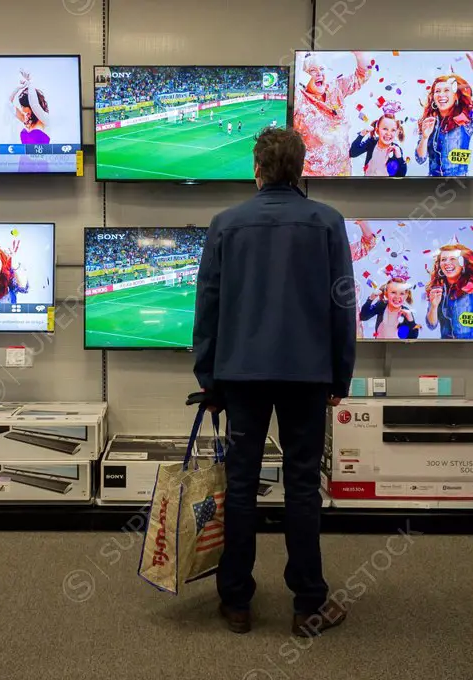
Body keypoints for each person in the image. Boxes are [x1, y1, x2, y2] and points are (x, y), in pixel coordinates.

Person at [193, 126, 355, 638]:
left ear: (256, 170)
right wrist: (341, 374)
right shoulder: (328, 222)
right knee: (303, 487)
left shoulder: (226, 224)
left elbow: (209, 308)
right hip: (307, 374)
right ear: (301, 169)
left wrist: (209, 379)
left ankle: (236, 602)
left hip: (241, 375)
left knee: (240, 485)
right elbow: (342, 305)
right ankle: (308, 602)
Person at [415, 52, 473, 177]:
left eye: (447, 90)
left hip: (460, 185)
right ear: (433, 97)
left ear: (456, 96)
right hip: (430, 185)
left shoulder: (467, 119)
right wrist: (424, 138)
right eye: (437, 91)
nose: (441, 95)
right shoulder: (428, 121)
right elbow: (420, 159)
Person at [294, 50, 371, 176]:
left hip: (343, 175)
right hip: (312, 180)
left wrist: (359, 53)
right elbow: (295, 81)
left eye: (322, 69)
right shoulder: (299, 99)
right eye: (312, 70)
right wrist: (300, 57)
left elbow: (363, 75)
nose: (319, 74)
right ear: (304, 76)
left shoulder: (335, 88)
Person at [424, 224, 473, 339]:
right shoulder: (437, 289)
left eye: (453, 259)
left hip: (471, 348)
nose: (447, 263)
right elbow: (431, 325)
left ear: (463, 264)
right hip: (445, 348)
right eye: (443, 259)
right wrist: (433, 306)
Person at [349, 102, 408, 177]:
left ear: (396, 132)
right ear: (377, 131)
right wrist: (362, 134)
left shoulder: (395, 150)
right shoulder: (371, 142)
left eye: (393, 130)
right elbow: (352, 153)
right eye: (385, 129)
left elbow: (400, 175)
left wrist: (399, 158)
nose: (388, 133)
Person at [359, 271, 420, 340]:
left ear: (406, 296)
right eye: (393, 292)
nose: (397, 297)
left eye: (402, 293)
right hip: (379, 346)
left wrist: (411, 321)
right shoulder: (382, 305)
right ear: (386, 294)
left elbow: (412, 337)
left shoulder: (406, 313)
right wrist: (370, 299)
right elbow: (363, 317)